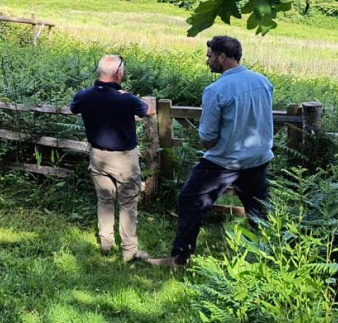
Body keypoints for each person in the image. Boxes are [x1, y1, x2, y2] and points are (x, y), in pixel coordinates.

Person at [151, 36, 274, 268]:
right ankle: (271, 258)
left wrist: (212, 147)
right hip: (258, 158)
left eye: (209, 56)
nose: (207, 61)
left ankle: (180, 258)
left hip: (225, 160)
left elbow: (207, 135)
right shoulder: (263, 81)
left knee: (189, 200)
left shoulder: (216, 90)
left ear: (222, 57)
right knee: (259, 209)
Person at [71, 54, 155, 263]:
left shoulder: (84, 95)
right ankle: (129, 251)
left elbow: (75, 108)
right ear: (119, 73)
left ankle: (106, 244)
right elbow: (149, 111)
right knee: (128, 202)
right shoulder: (125, 98)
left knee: (104, 199)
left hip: (97, 155)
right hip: (123, 158)